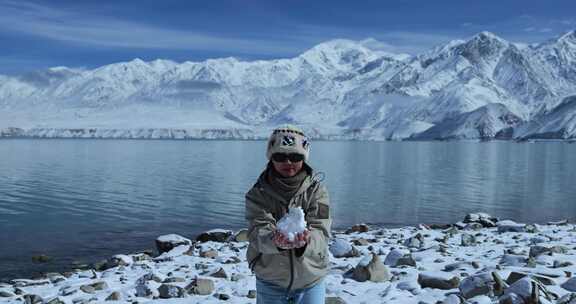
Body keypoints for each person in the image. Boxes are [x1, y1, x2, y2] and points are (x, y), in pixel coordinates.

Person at [245, 125, 331, 304]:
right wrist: (275, 242)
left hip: (311, 279)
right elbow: (257, 232)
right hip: (271, 281)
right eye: (280, 156)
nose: (288, 162)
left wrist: (306, 242)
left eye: (295, 157)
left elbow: (321, 232)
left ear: (304, 158)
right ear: (271, 158)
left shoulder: (317, 192)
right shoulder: (257, 194)